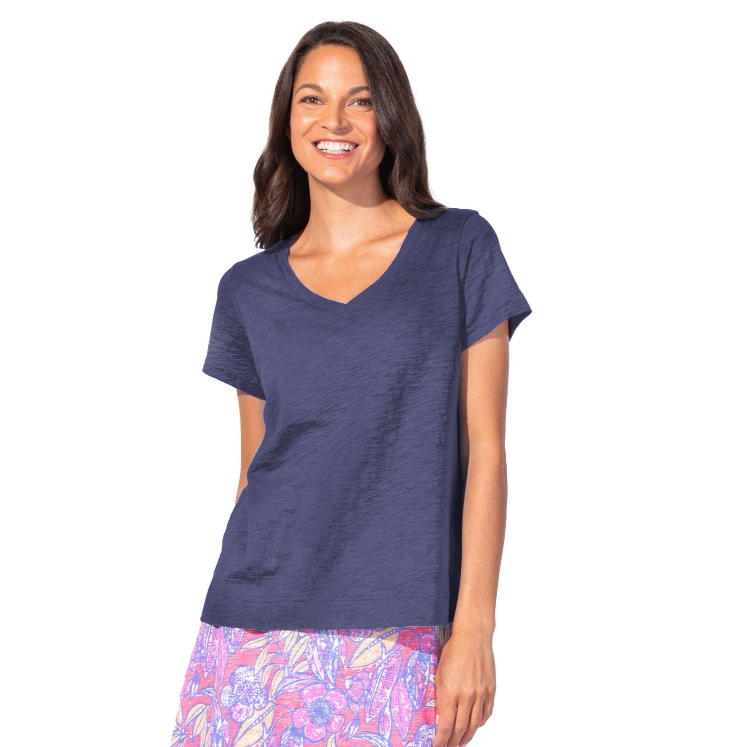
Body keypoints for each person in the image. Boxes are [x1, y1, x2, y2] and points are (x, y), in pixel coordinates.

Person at [171, 20, 532, 747]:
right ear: (287, 120)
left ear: (390, 116)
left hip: (401, 630)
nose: (333, 121)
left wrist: (474, 628)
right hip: (252, 626)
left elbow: (486, 451)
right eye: (312, 99)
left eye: (359, 101)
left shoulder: (459, 248)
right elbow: (254, 470)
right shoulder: (247, 289)